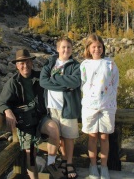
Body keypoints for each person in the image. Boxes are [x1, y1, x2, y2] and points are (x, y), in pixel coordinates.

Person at [0, 49, 60, 179]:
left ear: (31, 62)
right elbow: (2, 103)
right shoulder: (13, 83)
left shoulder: (39, 76)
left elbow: (55, 75)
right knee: (31, 157)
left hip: (41, 117)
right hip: (26, 125)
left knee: (54, 130)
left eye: (27, 62)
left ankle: (50, 162)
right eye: (21, 63)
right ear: (17, 65)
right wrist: (8, 111)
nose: (25, 65)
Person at [40, 36, 81, 179]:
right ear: (57, 49)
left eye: (69, 47)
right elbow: (43, 82)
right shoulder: (50, 63)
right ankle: (57, 162)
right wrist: (65, 86)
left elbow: (75, 82)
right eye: (63, 47)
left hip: (68, 107)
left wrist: (55, 78)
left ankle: (68, 163)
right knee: (57, 135)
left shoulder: (75, 65)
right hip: (51, 108)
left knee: (68, 137)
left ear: (72, 49)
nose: (66, 50)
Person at [80, 34, 119, 179]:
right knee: (92, 137)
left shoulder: (110, 64)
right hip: (90, 106)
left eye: (99, 46)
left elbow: (115, 82)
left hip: (107, 106)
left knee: (104, 137)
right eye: (94, 47)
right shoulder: (84, 65)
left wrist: (109, 97)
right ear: (89, 49)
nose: (97, 49)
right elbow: (83, 83)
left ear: (103, 48)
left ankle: (104, 166)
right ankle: (93, 165)